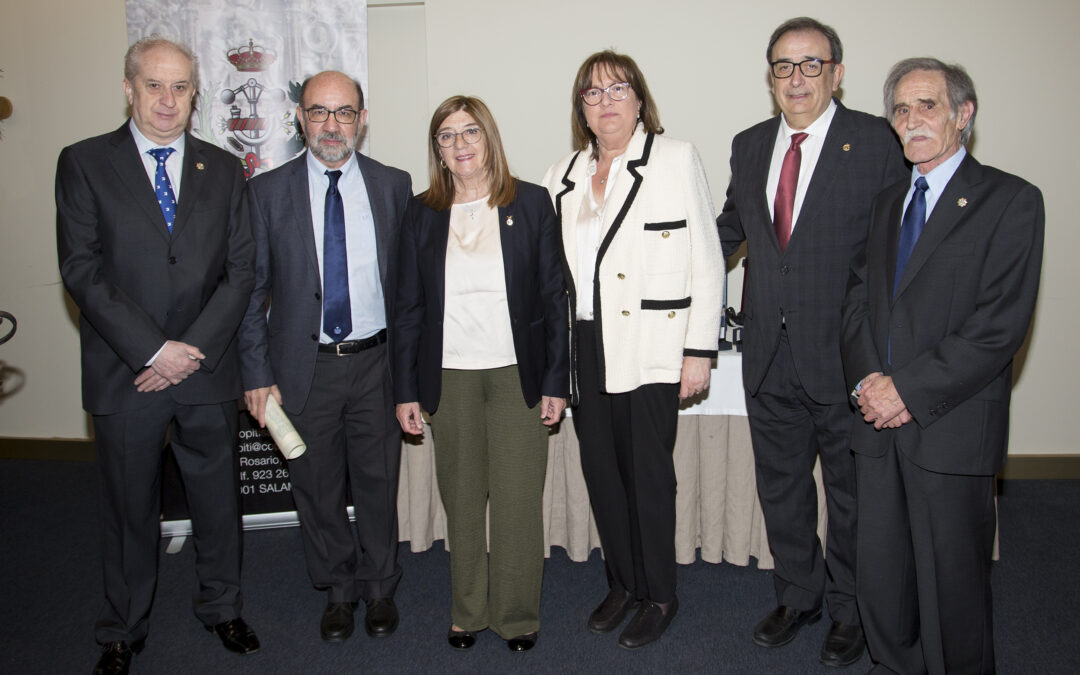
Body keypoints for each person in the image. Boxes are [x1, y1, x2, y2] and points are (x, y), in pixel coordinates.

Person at [55, 36, 259, 675]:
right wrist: (154, 350)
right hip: (127, 373)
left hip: (206, 368)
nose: (167, 100)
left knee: (217, 502)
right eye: (154, 85)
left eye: (180, 87)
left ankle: (222, 607)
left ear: (195, 95)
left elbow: (241, 271)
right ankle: (122, 629)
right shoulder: (85, 163)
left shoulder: (223, 168)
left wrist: (189, 351)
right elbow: (81, 270)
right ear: (128, 88)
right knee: (128, 508)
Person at [715, 17, 907, 667]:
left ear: (837, 73)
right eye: (783, 66)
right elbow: (730, 229)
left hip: (846, 358)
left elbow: (895, 250)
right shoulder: (749, 145)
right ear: (770, 76)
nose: (796, 78)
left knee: (851, 496)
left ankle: (851, 607)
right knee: (782, 488)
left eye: (811, 64)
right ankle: (799, 594)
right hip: (768, 355)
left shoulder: (877, 142)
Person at [842, 58, 1044, 675]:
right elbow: (857, 302)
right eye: (901, 110)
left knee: (952, 592)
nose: (912, 120)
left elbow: (998, 326)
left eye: (927, 105)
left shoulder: (1010, 200)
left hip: (950, 429)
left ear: (963, 114)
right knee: (882, 582)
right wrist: (867, 382)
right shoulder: (885, 204)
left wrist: (905, 389)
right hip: (878, 427)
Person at [542, 50, 723, 649]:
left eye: (618, 89)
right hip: (585, 346)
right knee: (602, 473)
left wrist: (699, 350)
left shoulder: (674, 159)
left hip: (651, 345)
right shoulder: (561, 174)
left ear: (640, 100)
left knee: (647, 475)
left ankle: (660, 594)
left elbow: (707, 259)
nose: (606, 102)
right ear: (581, 109)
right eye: (592, 93)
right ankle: (622, 583)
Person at [237, 71, 412, 643]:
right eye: (318, 112)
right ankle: (338, 588)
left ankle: (380, 584)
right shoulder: (266, 192)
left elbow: (409, 287)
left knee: (378, 480)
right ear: (300, 119)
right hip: (303, 367)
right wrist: (256, 372)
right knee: (315, 484)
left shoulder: (393, 185)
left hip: (377, 363)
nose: (331, 125)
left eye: (344, 112)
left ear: (362, 119)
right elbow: (251, 292)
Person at [393, 95, 569, 652]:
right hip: (450, 379)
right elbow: (407, 308)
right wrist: (405, 390)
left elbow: (554, 298)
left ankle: (516, 615)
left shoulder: (531, 202)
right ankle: (467, 611)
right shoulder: (421, 212)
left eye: (470, 131)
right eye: (447, 136)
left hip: (518, 375)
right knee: (463, 500)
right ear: (437, 150)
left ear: (488, 137)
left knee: (517, 501)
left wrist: (557, 381)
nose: (460, 144)